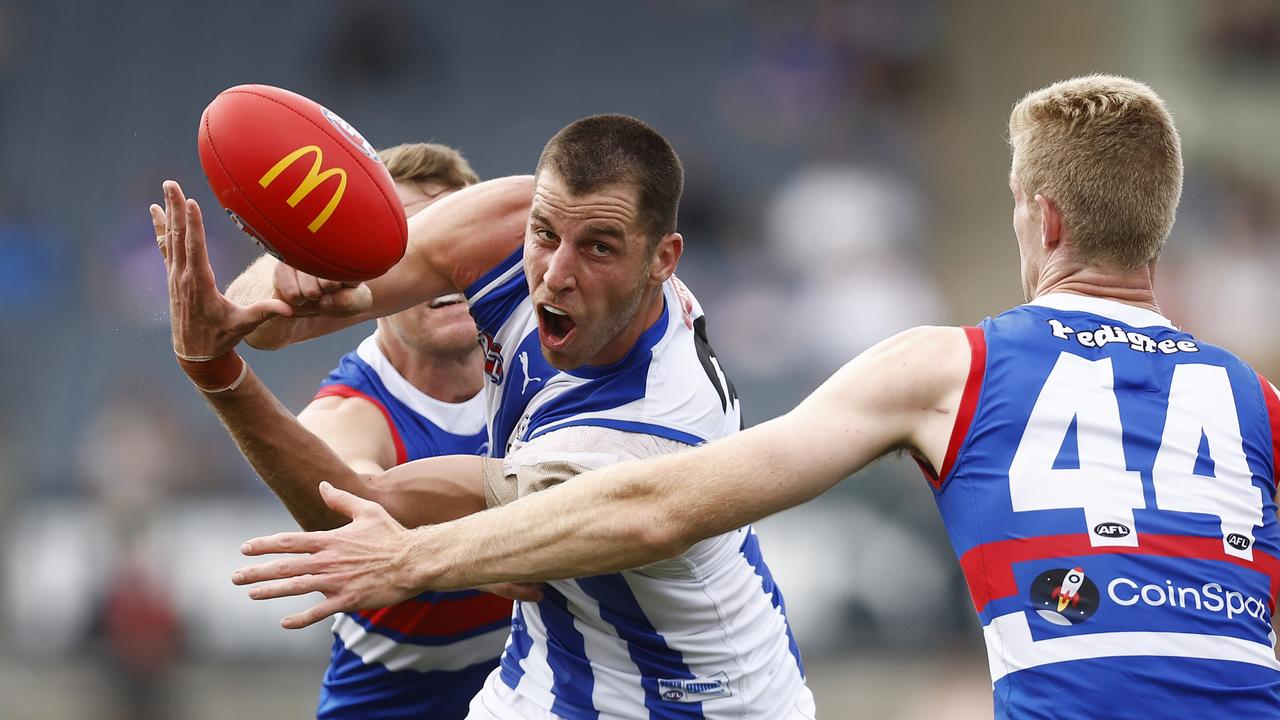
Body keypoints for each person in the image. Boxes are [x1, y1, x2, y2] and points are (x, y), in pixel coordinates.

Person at [233, 76, 1280, 717]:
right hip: (555, 679)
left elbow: (659, 505)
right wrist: (260, 295)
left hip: (697, 696)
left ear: (1039, 221)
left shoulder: (944, 366)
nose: (552, 268)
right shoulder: (1259, 406)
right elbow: (327, 286)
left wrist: (401, 550)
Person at [157, 114, 815, 719]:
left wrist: (218, 375)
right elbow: (263, 334)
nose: (557, 272)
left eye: (600, 248)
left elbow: (497, 542)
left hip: (648, 684)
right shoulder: (363, 397)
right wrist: (294, 267)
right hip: (412, 692)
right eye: (395, 241)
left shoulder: (633, 412)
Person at [290, 143, 514, 719]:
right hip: (389, 703)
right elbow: (374, 522)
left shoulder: (543, 360)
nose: (440, 264)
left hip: (534, 685)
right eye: (415, 241)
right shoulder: (346, 416)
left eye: (453, 238)